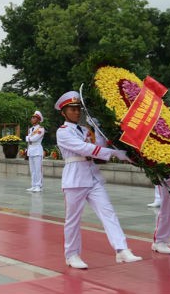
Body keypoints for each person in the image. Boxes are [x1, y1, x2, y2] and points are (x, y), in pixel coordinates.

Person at [55, 90, 142, 269]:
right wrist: (117, 154)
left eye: (78, 108)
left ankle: (121, 250)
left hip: (92, 176)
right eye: (72, 109)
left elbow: (97, 148)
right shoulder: (62, 132)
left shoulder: (85, 130)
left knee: (108, 212)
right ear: (63, 112)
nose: (77, 112)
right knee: (73, 219)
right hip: (75, 178)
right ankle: (71, 255)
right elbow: (85, 149)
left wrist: (97, 129)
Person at [26, 111, 45, 192]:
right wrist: (29, 138)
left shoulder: (41, 129)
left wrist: (29, 138)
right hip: (31, 150)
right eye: (32, 117)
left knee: (38, 169)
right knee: (32, 170)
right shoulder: (31, 129)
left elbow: (34, 139)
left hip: (37, 150)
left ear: (38, 119)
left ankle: (38, 186)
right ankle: (33, 185)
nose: (32, 119)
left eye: (34, 118)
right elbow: (28, 139)